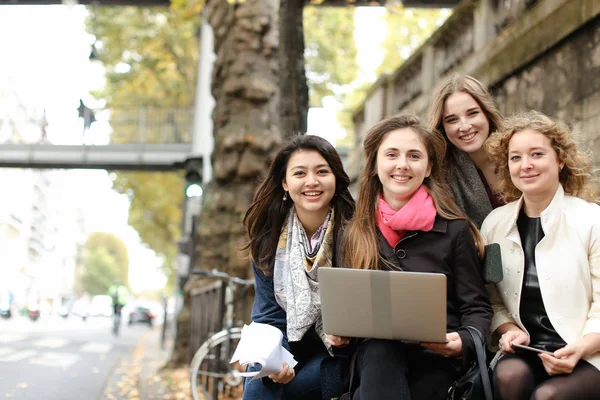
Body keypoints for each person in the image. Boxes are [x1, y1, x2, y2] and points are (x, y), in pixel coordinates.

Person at [342, 115, 492, 399]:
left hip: (436, 356)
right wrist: (337, 338)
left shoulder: (455, 230)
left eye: (414, 156)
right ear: (375, 165)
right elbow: (343, 309)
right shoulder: (353, 233)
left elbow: (477, 309)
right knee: (379, 353)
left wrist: (462, 340)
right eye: (391, 155)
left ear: (429, 167)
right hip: (374, 358)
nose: (402, 165)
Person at [480, 110, 600, 399]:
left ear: (560, 160)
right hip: (527, 348)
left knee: (547, 397)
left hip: (588, 350)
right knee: (508, 376)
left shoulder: (591, 220)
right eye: (516, 157)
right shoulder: (494, 224)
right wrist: (507, 329)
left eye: (537, 154)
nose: (526, 165)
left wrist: (582, 347)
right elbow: (491, 296)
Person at [242, 134, 355, 400]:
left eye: (322, 171)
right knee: (260, 380)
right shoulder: (268, 241)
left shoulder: (357, 235)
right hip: (286, 347)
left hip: (338, 353)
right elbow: (268, 319)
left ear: (336, 178)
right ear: (285, 182)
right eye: (300, 173)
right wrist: (276, 363)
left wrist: (347, 332)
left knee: (291, 392)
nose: (311, 182)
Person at [428, 74, 504, 227]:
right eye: (452, 120)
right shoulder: (441, 176)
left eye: (472, 113)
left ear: (487, 114)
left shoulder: (518, 153)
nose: (464, 126)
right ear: (442, 127)